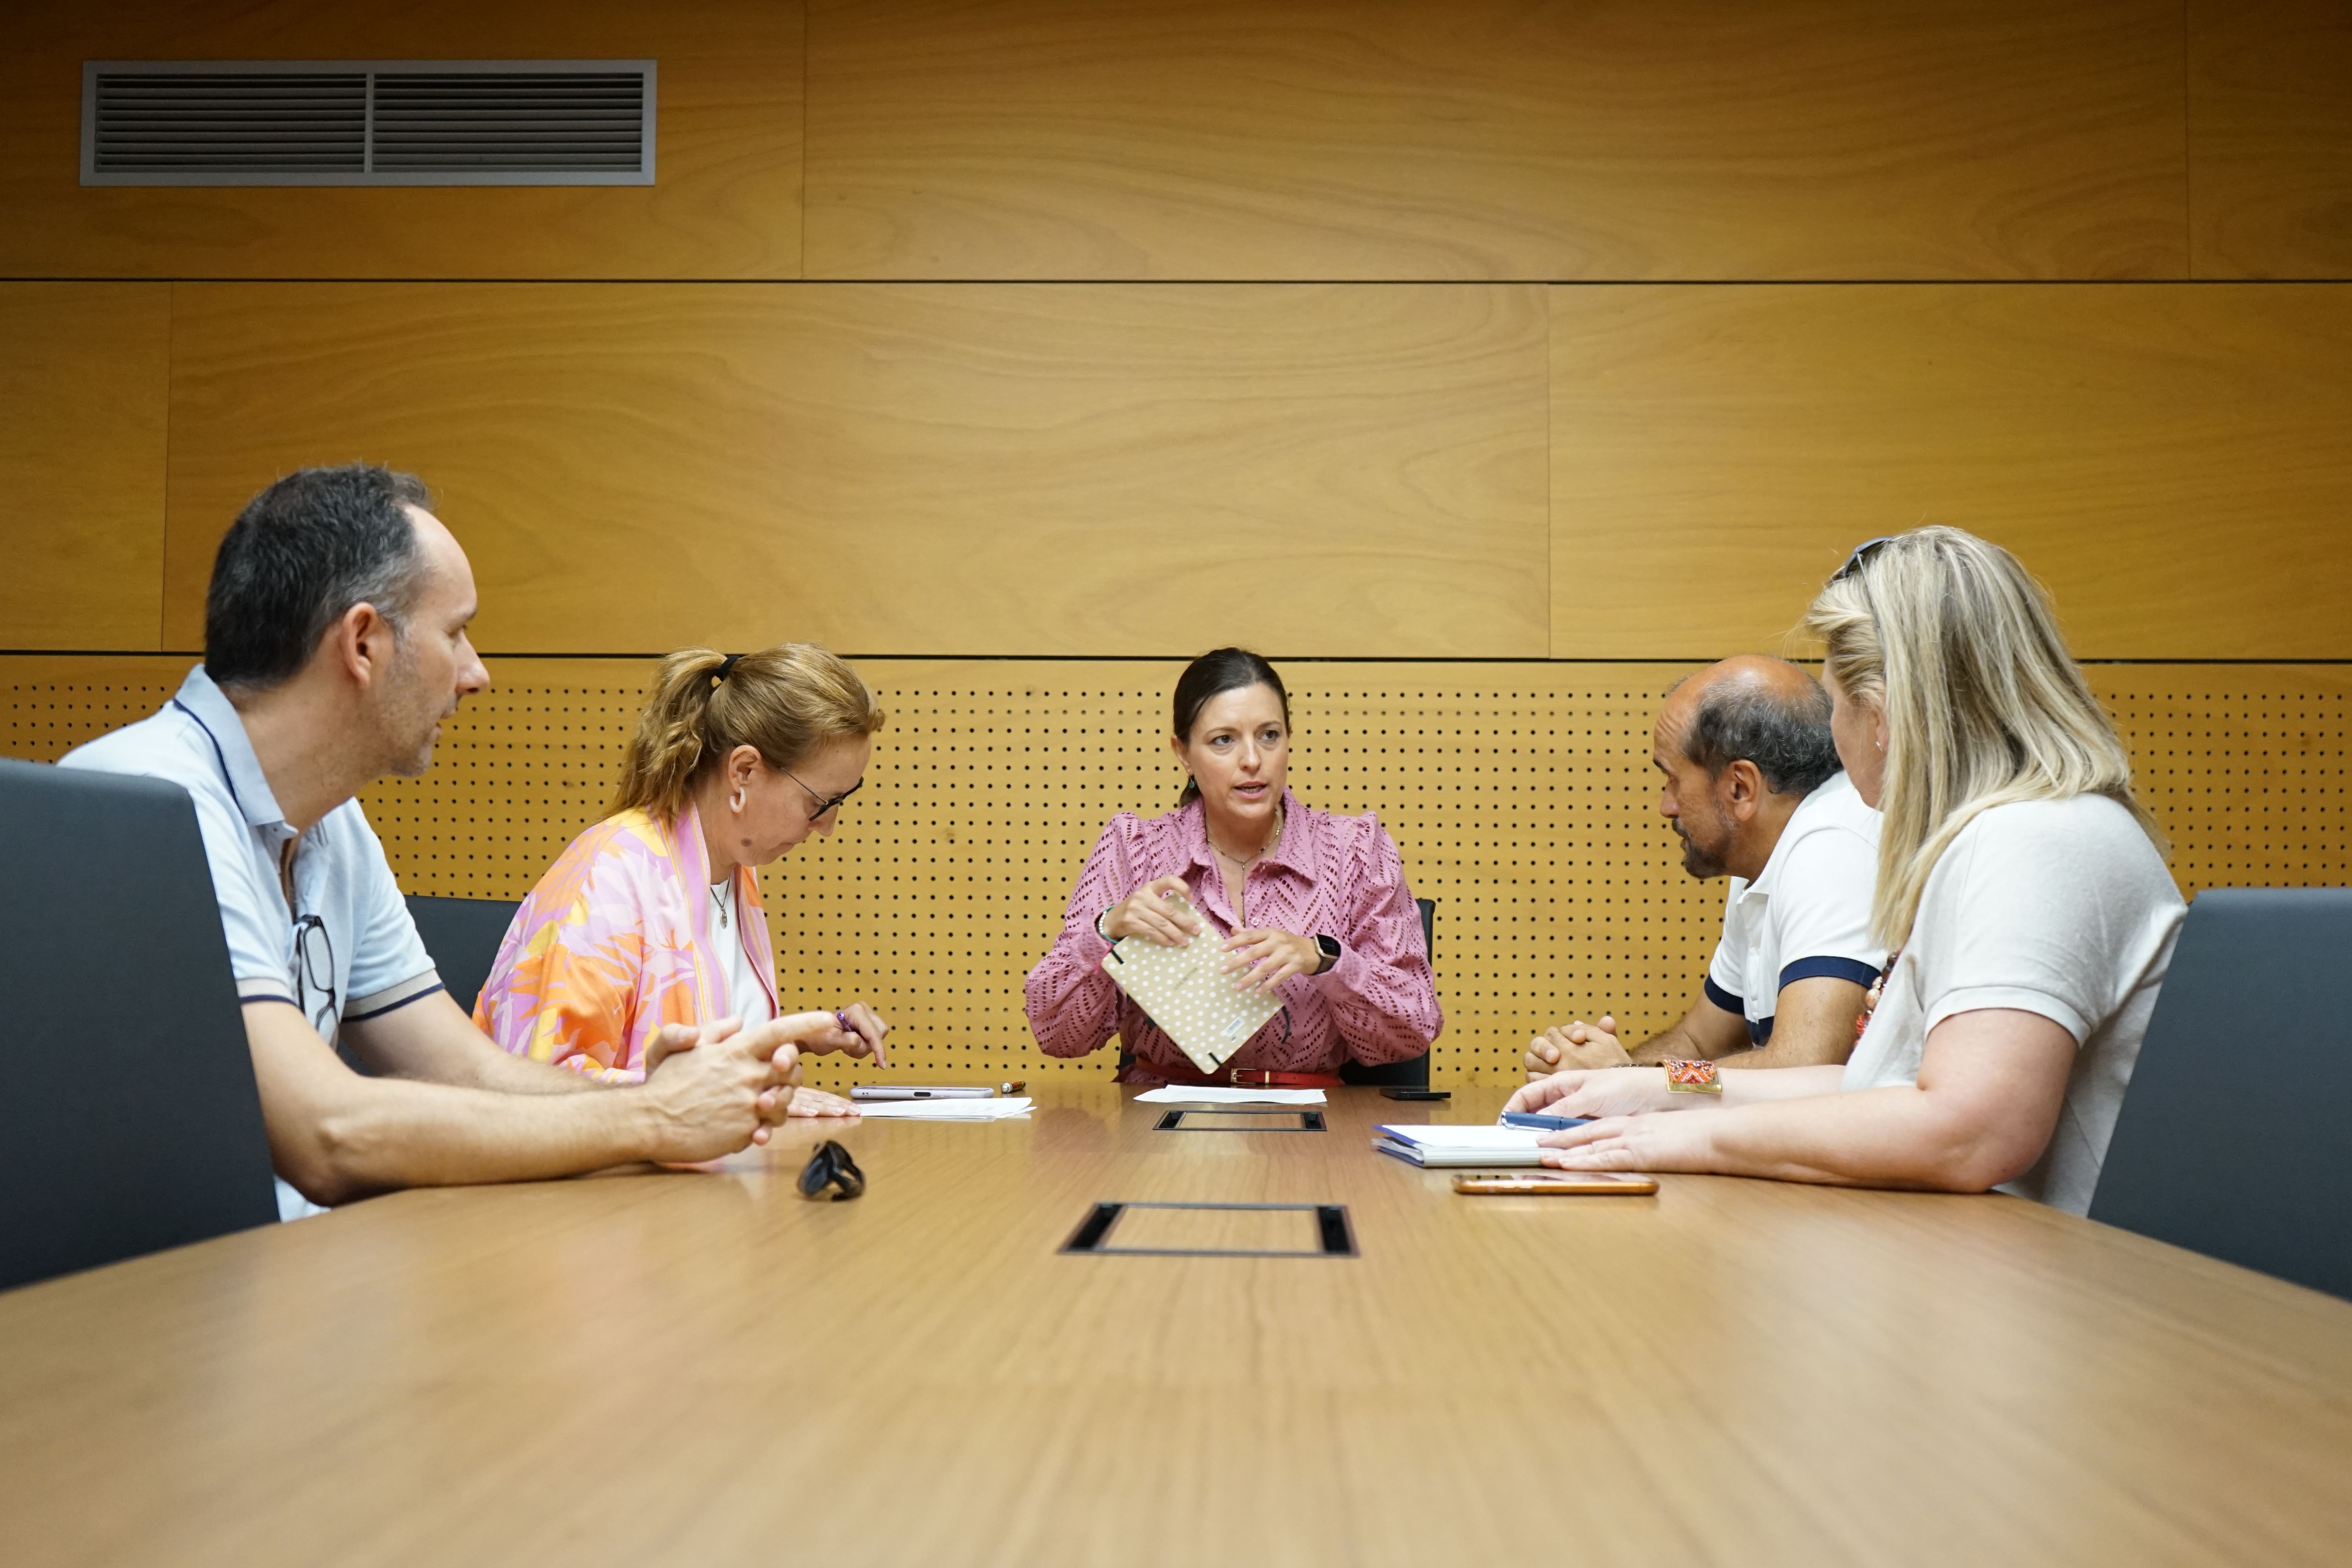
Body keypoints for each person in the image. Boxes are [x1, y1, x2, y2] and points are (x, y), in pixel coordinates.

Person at [62, 465, 851, 1218]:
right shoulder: (149, 802)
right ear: (363, 642)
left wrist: (694, 1097)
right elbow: (328, 1134)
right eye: (458, 633)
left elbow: (467, 1070)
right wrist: (649, 1117)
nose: (476, 674)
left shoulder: (333, 825)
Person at [1507, 526, 2183, 1214]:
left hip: (2077, 1285)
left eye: (1835, 705)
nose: (1830, 737)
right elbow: (1864, 1085)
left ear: (1884, 715)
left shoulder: (2034, 841)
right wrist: (1649, 1090)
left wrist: (1683, 1136)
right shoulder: (1992, 837)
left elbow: (1969, 1132)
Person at [473, 644, 891, 1111]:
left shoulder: (734, 872)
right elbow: (536, 1089)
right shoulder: (607, 878)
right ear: (744, 772)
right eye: (820, 803)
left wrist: (795, 1037)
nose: (827, 827)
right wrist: (745, 1097)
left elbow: (690, 1052)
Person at [1026, 648, 1441, 1085]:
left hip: (1313, 1123)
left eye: (1269, 735)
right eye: (1223, 740)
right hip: (1158, 1126)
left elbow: (1413, 1030)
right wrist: (1107, 930)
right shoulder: (1134, 848)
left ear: (1289, 738)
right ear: (1182, 752)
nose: (1252, 760)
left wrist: (1325, 961)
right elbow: (1056, 1035)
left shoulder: (1355, 849)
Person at [1523, 656, 1882, 1076]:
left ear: (1739, 787)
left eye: (1673, 779)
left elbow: (1804, 1067)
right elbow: (1697, 1042)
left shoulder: (1833, 845)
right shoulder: (1765, 853)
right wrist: (1600, 1075)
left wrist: (1627, 1081)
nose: (1665, 806)